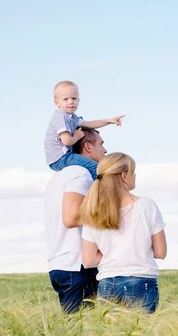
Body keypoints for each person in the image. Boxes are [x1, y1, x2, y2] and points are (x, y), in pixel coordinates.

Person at [80, 152, 167, 313]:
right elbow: (160, 252)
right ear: (124, 176)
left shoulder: (92, 211)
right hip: (141, 281)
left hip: (107, 284)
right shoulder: (147, 206)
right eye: (134, 172)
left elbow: (89, 259)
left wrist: (112, 252)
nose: (136, 176)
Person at [45, 126, 107, 314]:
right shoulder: (80, 174)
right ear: (88, 147)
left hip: (60, 263)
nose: (105, 150)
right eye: (101, 144)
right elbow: (71, 218)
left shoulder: (58, 177)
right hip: (77, 265)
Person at [44, 80, 124, 179]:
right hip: (60, 158)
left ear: (78, 101)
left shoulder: (72, 117)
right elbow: (67, 141)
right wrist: (76, 136)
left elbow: (90, 124)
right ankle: (100, 190)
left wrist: (109, 121)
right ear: (57, 103)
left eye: (74, 98)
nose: (70, 102)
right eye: (65, 99)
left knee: (91, 167)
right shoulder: (60, 117)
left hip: (65, 156)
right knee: (94, 167)